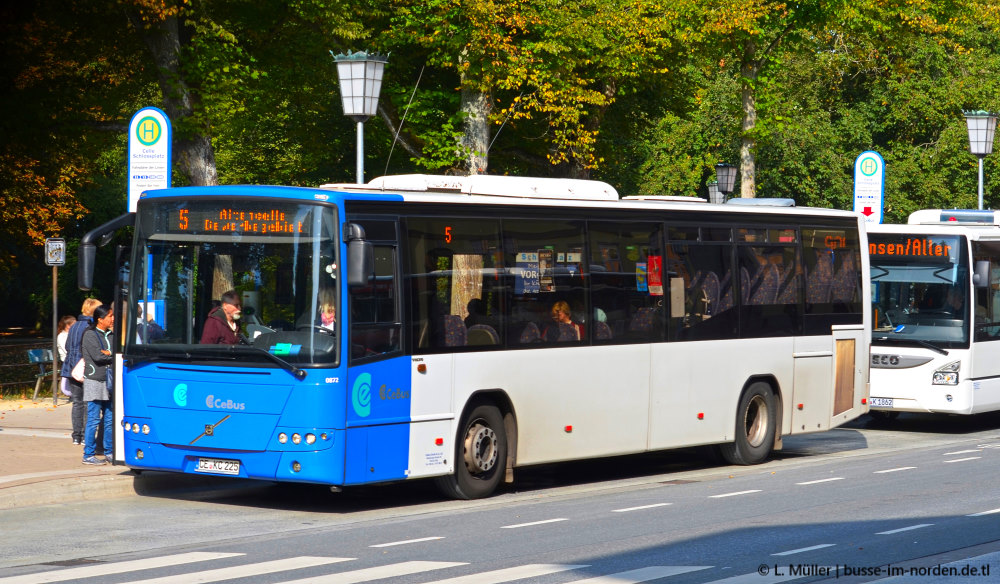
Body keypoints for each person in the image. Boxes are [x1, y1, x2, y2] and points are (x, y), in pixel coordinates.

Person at [60, 298, 101, 445]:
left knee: (77, 402)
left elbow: (66, 345)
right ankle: (85, 435)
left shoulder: (75, 325)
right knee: (87, 402)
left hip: (71, 367)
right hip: (86, 367)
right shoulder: (91, 326)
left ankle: (76, 435)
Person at [81, 304, 115, 465]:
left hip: (110, 381)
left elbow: (115, 352)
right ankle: (88, 454)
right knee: (93, 419)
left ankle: (109, 451)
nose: (112, 318)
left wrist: (109, 353)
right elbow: (97, 357)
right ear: (100, 319)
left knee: (109, 418)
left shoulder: (112, 334)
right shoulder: (90, 335)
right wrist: (110, 354)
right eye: (110, 316)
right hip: (95, 380)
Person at [56, 315, 76, 396]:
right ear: (67, 325)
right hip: (67, 361)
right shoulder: (62, 336)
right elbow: (67, 350)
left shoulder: (73, 334)